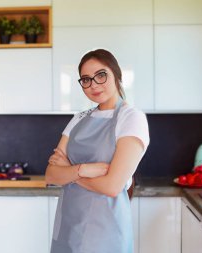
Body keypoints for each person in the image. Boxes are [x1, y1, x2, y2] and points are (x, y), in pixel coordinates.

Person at [45, 48, 150, 253]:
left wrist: (69, 171)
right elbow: (51, 175)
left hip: (105, 233)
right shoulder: (79, 118)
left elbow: (112, 186)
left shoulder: (131, 118)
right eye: (86, 79)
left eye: (101, 75)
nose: (93, 85)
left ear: (117, 75)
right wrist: (83, 169)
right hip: (69, 227)